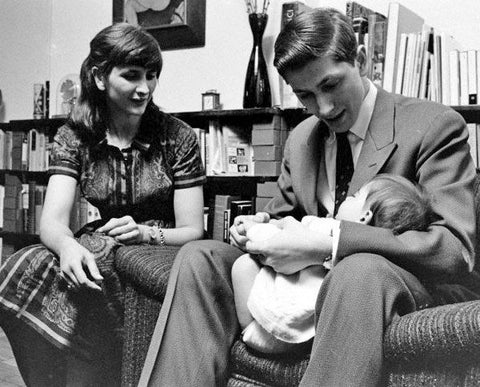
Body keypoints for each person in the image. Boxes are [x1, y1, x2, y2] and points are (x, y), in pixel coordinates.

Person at [138, 7, 478, 387]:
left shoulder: (433, 125)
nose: (324, 108)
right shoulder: (301, 139)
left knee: (358, 269)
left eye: (331, 85)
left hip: (391, 284)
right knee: (200, 257)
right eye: (305, 96)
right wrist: (256, 229)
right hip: (308, 289)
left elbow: (453, 250)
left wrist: (327, 243)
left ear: (361, 61)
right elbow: (282, 219)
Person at [0, 22, 205, 386]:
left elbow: (193, 230)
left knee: (98, 265)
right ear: (99, 77)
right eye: (131, 76)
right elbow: (52, 222)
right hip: (102, 239)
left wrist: (145, 232)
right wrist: (65, 248)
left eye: (152, 76)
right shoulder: (75, 136)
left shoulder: (178, 137)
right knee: (22, 265)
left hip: (160, 246)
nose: (145, 88)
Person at [232, 174, 434, 354]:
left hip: (273, 326)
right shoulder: (364, 250)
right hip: (308, 333)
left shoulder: (330, 229)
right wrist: (268, 218)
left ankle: (247, 328)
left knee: (242, 266)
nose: (346, 198)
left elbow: (274, 237)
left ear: (365, 216)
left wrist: (251, 229)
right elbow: (280, 211)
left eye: (355, 196)